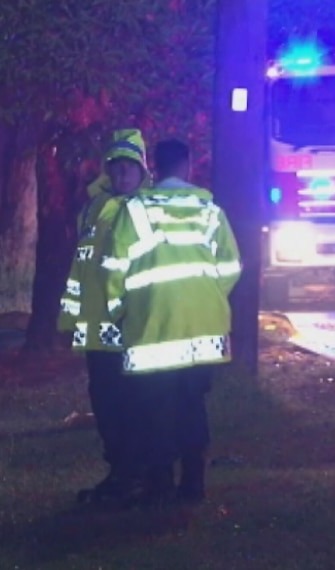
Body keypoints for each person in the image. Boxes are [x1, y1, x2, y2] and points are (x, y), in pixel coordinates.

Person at [102, 139, 242, 507]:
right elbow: (230, 266)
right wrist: (207, 298)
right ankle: (193, 484)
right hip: (204, 331)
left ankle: (159, 485)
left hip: (153, 331)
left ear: (154, 169)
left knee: (154, 410)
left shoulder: (134, 211)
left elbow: (114, 270)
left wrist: (121, 312)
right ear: (189, 166)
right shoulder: (208, 209)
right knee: (192, 405)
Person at [58, 129, 151, 505]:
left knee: (135, 406)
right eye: (116, 168)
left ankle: (137, 475)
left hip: (134, 327)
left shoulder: (148, 208)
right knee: (107, 404)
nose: (122, 175)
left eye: (129, 167)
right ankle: (120, 472)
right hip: (98, 331)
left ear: (142, 170)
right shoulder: (95, 208)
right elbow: (83, 267)